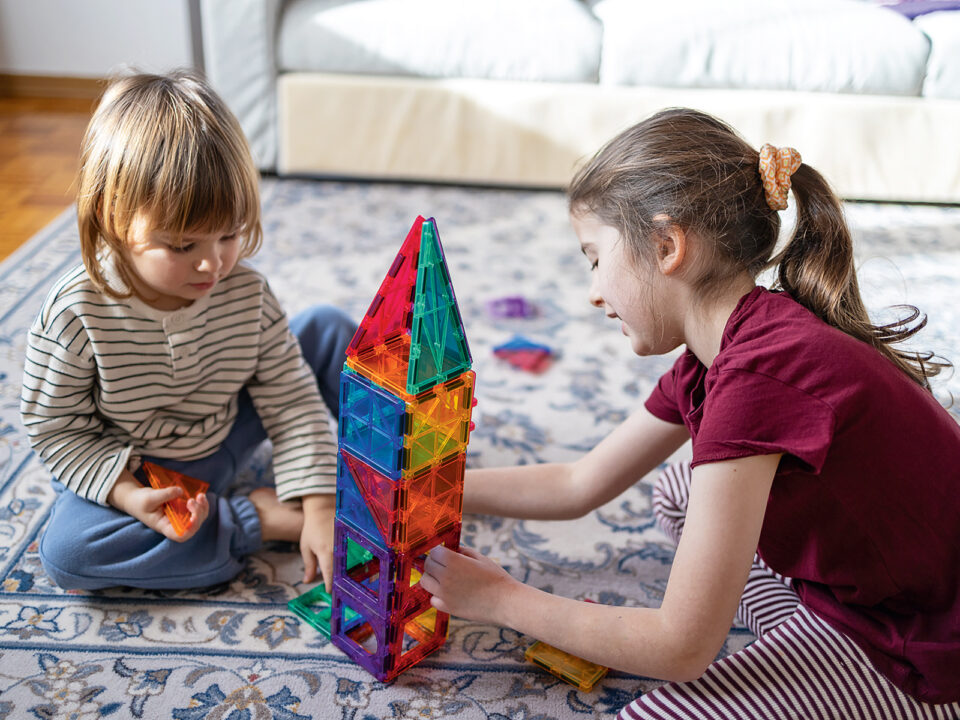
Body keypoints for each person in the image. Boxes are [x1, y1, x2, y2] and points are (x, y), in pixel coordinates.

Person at [421, 109, 960, 718]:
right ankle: (805, 629)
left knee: (654, 713)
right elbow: (580, 483)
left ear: (667, 245)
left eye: (596, 258)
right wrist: (432, 490)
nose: (592, 291)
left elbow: (682, 648)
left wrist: (501, 602)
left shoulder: (758, 376)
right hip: (889, 574)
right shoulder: (723, 350)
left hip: (928, 645)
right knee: (680, 488)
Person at [20, 71, 354, 592]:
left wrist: (320, 505)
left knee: (328, 330)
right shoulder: (74, 313)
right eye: (181, 246)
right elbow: (58, 430)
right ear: (112, 218)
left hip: (230, 426)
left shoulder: (246, 291)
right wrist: (130, 496)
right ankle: (258, 518)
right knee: (68, 553)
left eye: (229, 235)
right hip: (146, 465)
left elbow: (289, 399)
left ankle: (393, 451)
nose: (212, 265)